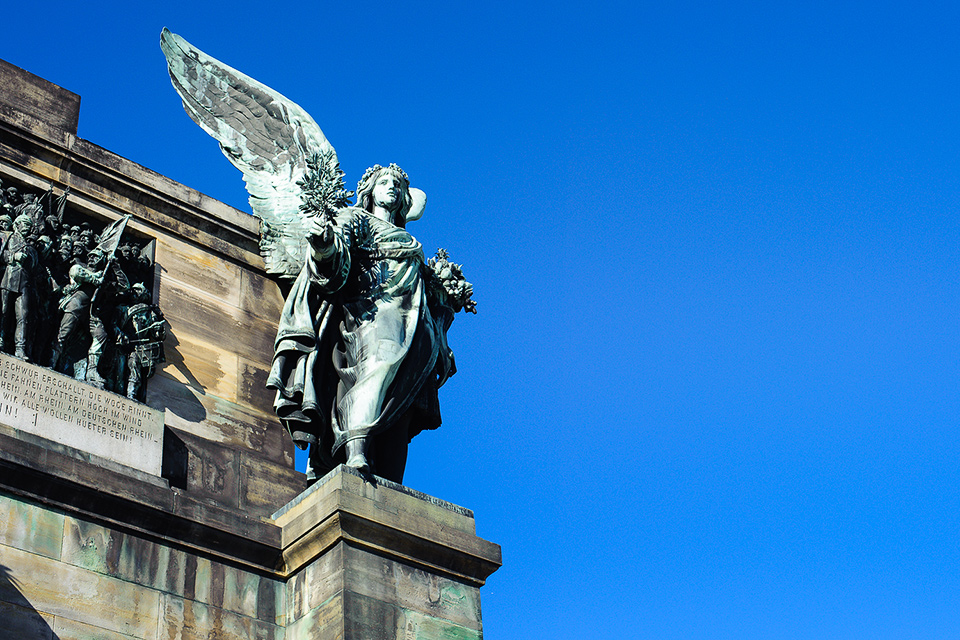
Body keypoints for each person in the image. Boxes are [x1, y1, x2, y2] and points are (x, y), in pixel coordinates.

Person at [267, 165, 455, 483]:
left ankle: (392, 479)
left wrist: (442, 291)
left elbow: (431, 294)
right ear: (369, 189)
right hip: (372, 313)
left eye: (398, 184)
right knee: (375, 372)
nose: (392, 188)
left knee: (403, 401)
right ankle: (355, 452)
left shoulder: (410, 240)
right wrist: (324, 244)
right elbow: (334, 264)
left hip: (416, 328)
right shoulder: (355, 219)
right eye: (384, 182)